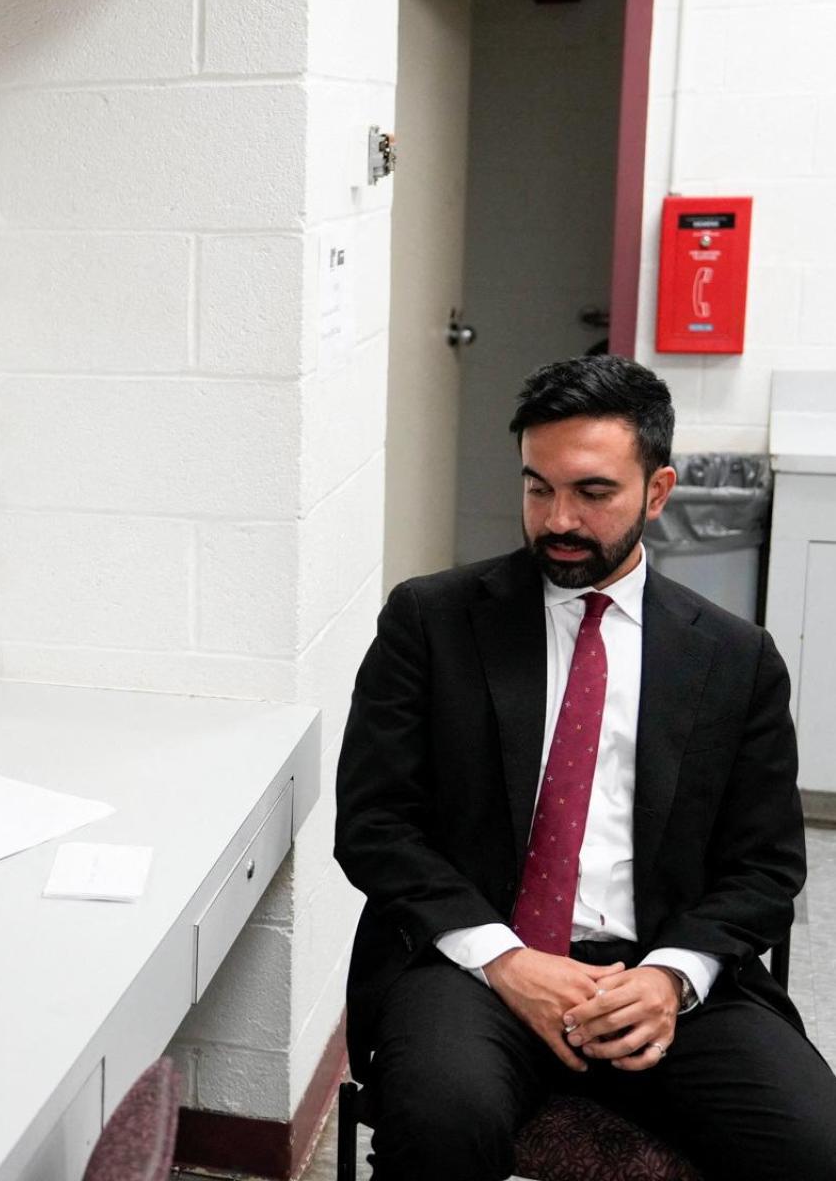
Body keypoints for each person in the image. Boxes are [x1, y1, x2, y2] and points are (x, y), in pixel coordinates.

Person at [334, 355, 836, 1179]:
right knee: (441, 1123)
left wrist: (672, 978)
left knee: (816, 1149)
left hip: (659, 964)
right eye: (538, 488)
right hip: (478, 963)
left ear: (658, 491)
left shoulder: (736, 659)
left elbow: (766, 866)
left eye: (592, 492)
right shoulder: (432, 622)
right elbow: (376, 826)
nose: (557, 518)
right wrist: (506, 959)